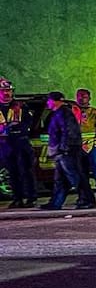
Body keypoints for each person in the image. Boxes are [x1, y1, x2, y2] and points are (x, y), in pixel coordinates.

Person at [40, 91, 96, 210]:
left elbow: (69, 131)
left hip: (67, 151)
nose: (48, 103)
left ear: (55, 101)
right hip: (62, 151)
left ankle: (87, 200)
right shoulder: (58, 113)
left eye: (49, 100)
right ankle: (56, 202)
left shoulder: (64, 113)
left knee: (75, 176)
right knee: (60, 179)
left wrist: (64, 148)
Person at [0, 78, 38, 208]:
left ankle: (31, 198)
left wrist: (15, 128)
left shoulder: (21, 106)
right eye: (3, 90)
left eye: (9, 90)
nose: (6, 93)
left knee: (26, 171)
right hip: (4, 144)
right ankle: (17, 198)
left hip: (21, 142)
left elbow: (28, 123)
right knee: (12, 172)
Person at [75, 88, 96, 203]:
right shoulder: (73, 112)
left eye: (84, 96)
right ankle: (85, 197)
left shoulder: (95, 113)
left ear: (89, 98)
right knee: (81, 173)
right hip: (77, 147)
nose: (81, 99)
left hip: (92, 147)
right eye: (79, 96)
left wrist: (95, 144)